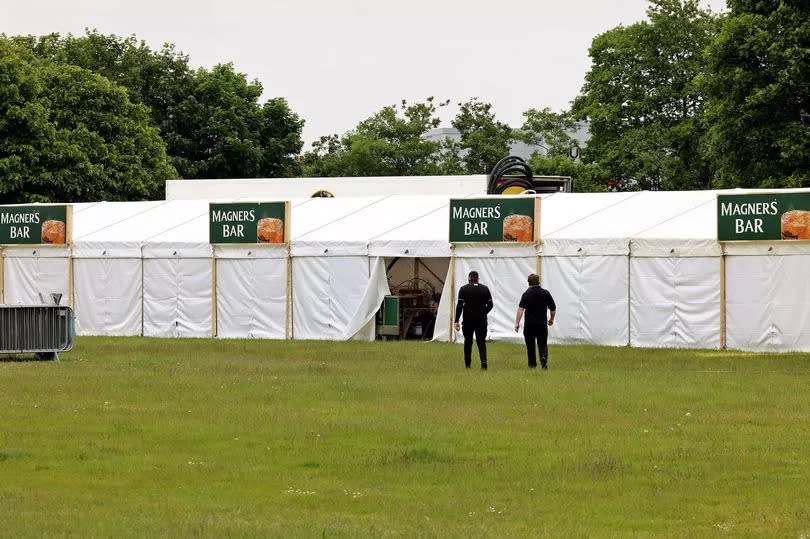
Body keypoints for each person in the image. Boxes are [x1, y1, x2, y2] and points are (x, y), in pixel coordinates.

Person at [514, 273, 556, 369]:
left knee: (530, 345)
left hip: (529, 324)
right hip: (542, 324)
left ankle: (532, 364)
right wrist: (551, 319)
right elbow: (553, 307)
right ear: (539, 281)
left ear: (529, 282)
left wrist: (517, 323)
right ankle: (543, 357)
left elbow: (521, 309)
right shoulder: (546, 293)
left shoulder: (526, 294)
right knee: (542, 344)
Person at [454, 271, 493, 370]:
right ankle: (484, 362)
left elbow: (459, 306)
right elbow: (490, 305)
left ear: (469, 278)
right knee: (481, 342)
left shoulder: (463, 289)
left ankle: (468, 364)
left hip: (468, 320)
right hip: (481, 320)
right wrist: (483, 313)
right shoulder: (485, 289)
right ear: (478, 278)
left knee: (468, 342)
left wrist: (456, 320)